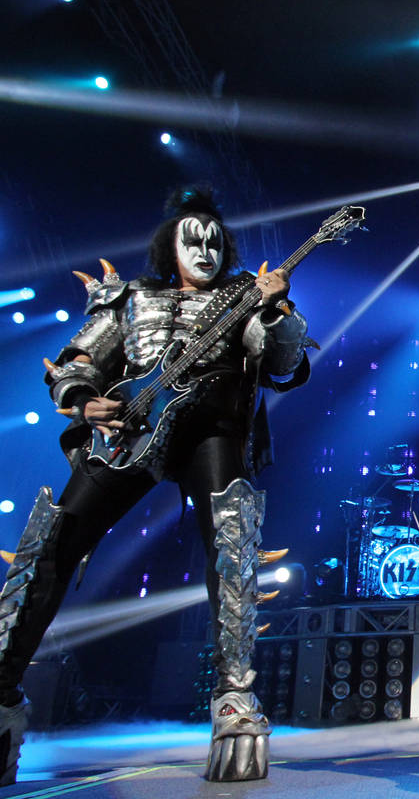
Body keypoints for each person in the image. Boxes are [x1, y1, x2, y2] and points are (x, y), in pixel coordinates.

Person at [0, 186, 311, 783]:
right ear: (170, 246)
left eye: (215, 242)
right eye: (193, 240)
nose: (205, 250)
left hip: (211, 428)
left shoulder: (241, 297)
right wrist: (86, 400)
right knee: (51, 544)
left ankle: (235, 699)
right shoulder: (133, 298)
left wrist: (276, 312)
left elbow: (282, 365)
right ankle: (2, 692)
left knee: (233, 544)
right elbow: (77, 361)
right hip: (132, 428)